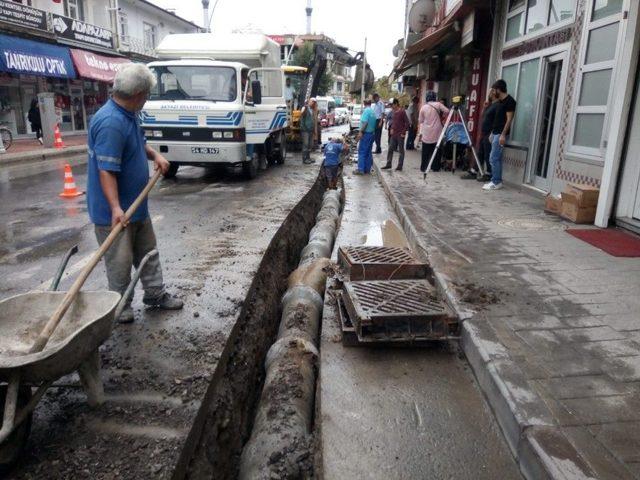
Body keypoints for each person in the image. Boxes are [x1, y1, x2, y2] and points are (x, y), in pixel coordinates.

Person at [87, 63, 183, 324]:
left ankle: (154, 295)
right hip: (116, 212)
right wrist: (116, 208)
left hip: (137, 207)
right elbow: (106, 170)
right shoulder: (110, 123)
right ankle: (119, 305)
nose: (147, 99)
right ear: (140, 94)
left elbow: (138, 143)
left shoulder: (128, 114)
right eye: (148, 95)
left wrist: (155, 155)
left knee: (148, 252)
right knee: (119, 261)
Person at [483, 79, 517, 191]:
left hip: (501, 134)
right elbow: (497, 119)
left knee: (493, 158)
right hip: (495, 132)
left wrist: (502, 135)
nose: (492, 93)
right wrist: (492, 133)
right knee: (496, 158)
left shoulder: (510, 101)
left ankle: (496, 181)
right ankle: (497, 181)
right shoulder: (500, 101)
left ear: (499, 89)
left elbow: (509, 120)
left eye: (493, 90)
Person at [418, 91, 449, 173]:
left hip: (427, 133)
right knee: (437, 150)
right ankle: (435, 167)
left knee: (425, 152)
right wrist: (442, 116)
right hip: (437, 132)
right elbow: (447, 111)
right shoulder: (438, 105)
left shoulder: (423, 107)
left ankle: (424, 167)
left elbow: (420, 120)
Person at [382, 98, 409, 172]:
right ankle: (388, 163)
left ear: (396, 104)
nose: (391, 106)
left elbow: (407, 123)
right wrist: (391, 128)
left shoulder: (402, 112)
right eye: (390, 105)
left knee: (401, 150)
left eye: (392, 104)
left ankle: (400, 166)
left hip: (400, 134)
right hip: (394, 134)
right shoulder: (393, 112)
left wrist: (403, 133)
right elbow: (394, 122)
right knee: (390, 148)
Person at [355, 98, 376, 175]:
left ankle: (361, 169)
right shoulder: (372, 111)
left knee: (362, 151)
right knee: (368, 152)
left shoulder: (366, 111)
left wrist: (361, 132)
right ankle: (367, 169)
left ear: (364, 104)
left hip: (366, 134)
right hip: (372, 134)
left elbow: (365, 123)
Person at [300, 97, 317, 165]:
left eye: (314, 102)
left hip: (310, 130)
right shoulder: (305, 108)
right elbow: (302, 116)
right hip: (305, 130)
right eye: (312, 101)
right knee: (306, 144)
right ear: (309, 101)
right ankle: (304, 159)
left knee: (310, 145)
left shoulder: (312, 110)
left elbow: (313, 119)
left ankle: (308, 157)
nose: (313, 103)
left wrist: (314, 130)